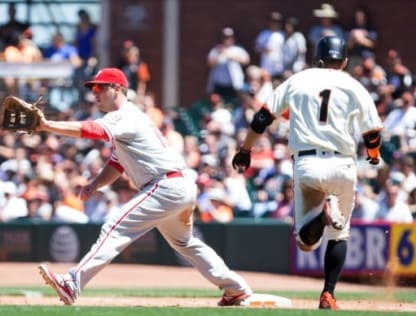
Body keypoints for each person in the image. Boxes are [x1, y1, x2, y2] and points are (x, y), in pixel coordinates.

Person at [37, 68, 253, 306]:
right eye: (93, 88)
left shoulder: (124, 115)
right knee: (185, 243)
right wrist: (95, 184)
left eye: (100, 87)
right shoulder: (129, 118)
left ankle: (72, 283)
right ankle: (236, 288)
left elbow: (93, 131)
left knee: (114, 227)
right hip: (178, 185)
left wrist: (48, 126)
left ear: (118, 89)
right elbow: (117, 163)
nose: (94, 93)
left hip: (165, 185)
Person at [232, 36, 383, 310]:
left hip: (307, 163)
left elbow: (262, 118)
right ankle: (328, 294)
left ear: (317, 59)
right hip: (343, 164)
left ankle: (323, 215)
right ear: (345, 62)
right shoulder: (353, 85)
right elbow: (372, 133)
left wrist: (245, 149)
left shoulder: (298, 80)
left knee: (305, 242)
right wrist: (373, 156)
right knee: (340, 235)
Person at [206, 27, 250, 104]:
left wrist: (230, 56)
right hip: (219, 85)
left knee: (234, 104)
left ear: (233, 38)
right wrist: (220, 55)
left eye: (229, 37)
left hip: (234, 85)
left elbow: (246, 60)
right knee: (218, 104)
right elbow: (210, 63)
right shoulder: (217, 49)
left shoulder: (237, 49)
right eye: (225, 37)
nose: (227, 39)